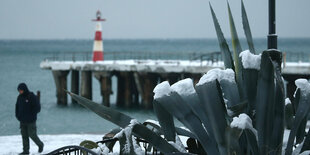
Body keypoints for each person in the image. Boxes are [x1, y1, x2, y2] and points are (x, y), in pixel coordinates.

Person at [15, 83, 44, 155]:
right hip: (22, 120)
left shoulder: (32, 96)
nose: (20, 92)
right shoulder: (19, 97)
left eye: (21, 90)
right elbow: (17, 107)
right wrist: (18, 116)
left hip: (31, 121)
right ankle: (26, 151)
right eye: (19, 90)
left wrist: (32, 115)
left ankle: (40, 144)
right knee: (24, 135)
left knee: (32, 134)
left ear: (24, 89)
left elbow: (38, 108)